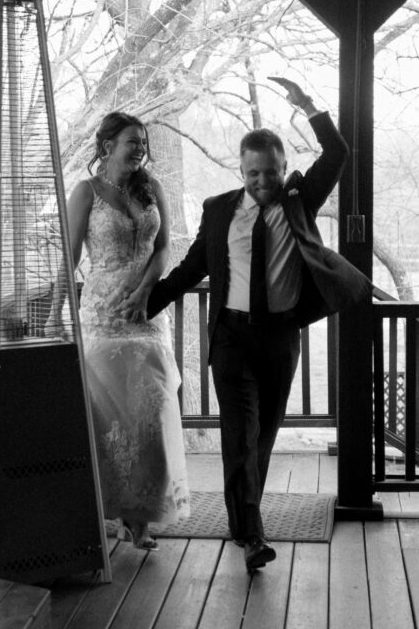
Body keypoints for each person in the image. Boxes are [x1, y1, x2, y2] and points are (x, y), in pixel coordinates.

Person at [146, 77, 372, 572]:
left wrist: (308, 106)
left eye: (270, 172)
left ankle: (242, 520)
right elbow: (191, 269)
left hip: (281, 337)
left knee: (263, 437)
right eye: (253, 173)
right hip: (231, 336)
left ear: (284, 170)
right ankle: (253, 536)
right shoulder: (219, 211)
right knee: (240, 434)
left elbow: (337, 152)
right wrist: (144, 303)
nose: (262, 182)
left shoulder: (299, 202)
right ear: (240, 169)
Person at [45, 111, 190, 550]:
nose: (141, 147)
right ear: (108, 146)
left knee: (152, 414)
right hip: (102, 318)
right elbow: (70, 257)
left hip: (146, 317)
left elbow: (163, 246)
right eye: (133, 140)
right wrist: (55, 314)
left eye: (144, 141)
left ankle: (141, 519)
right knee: (108, 419)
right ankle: (109, 512)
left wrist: (147, 289)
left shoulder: (153, 189)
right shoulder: (86, 192)